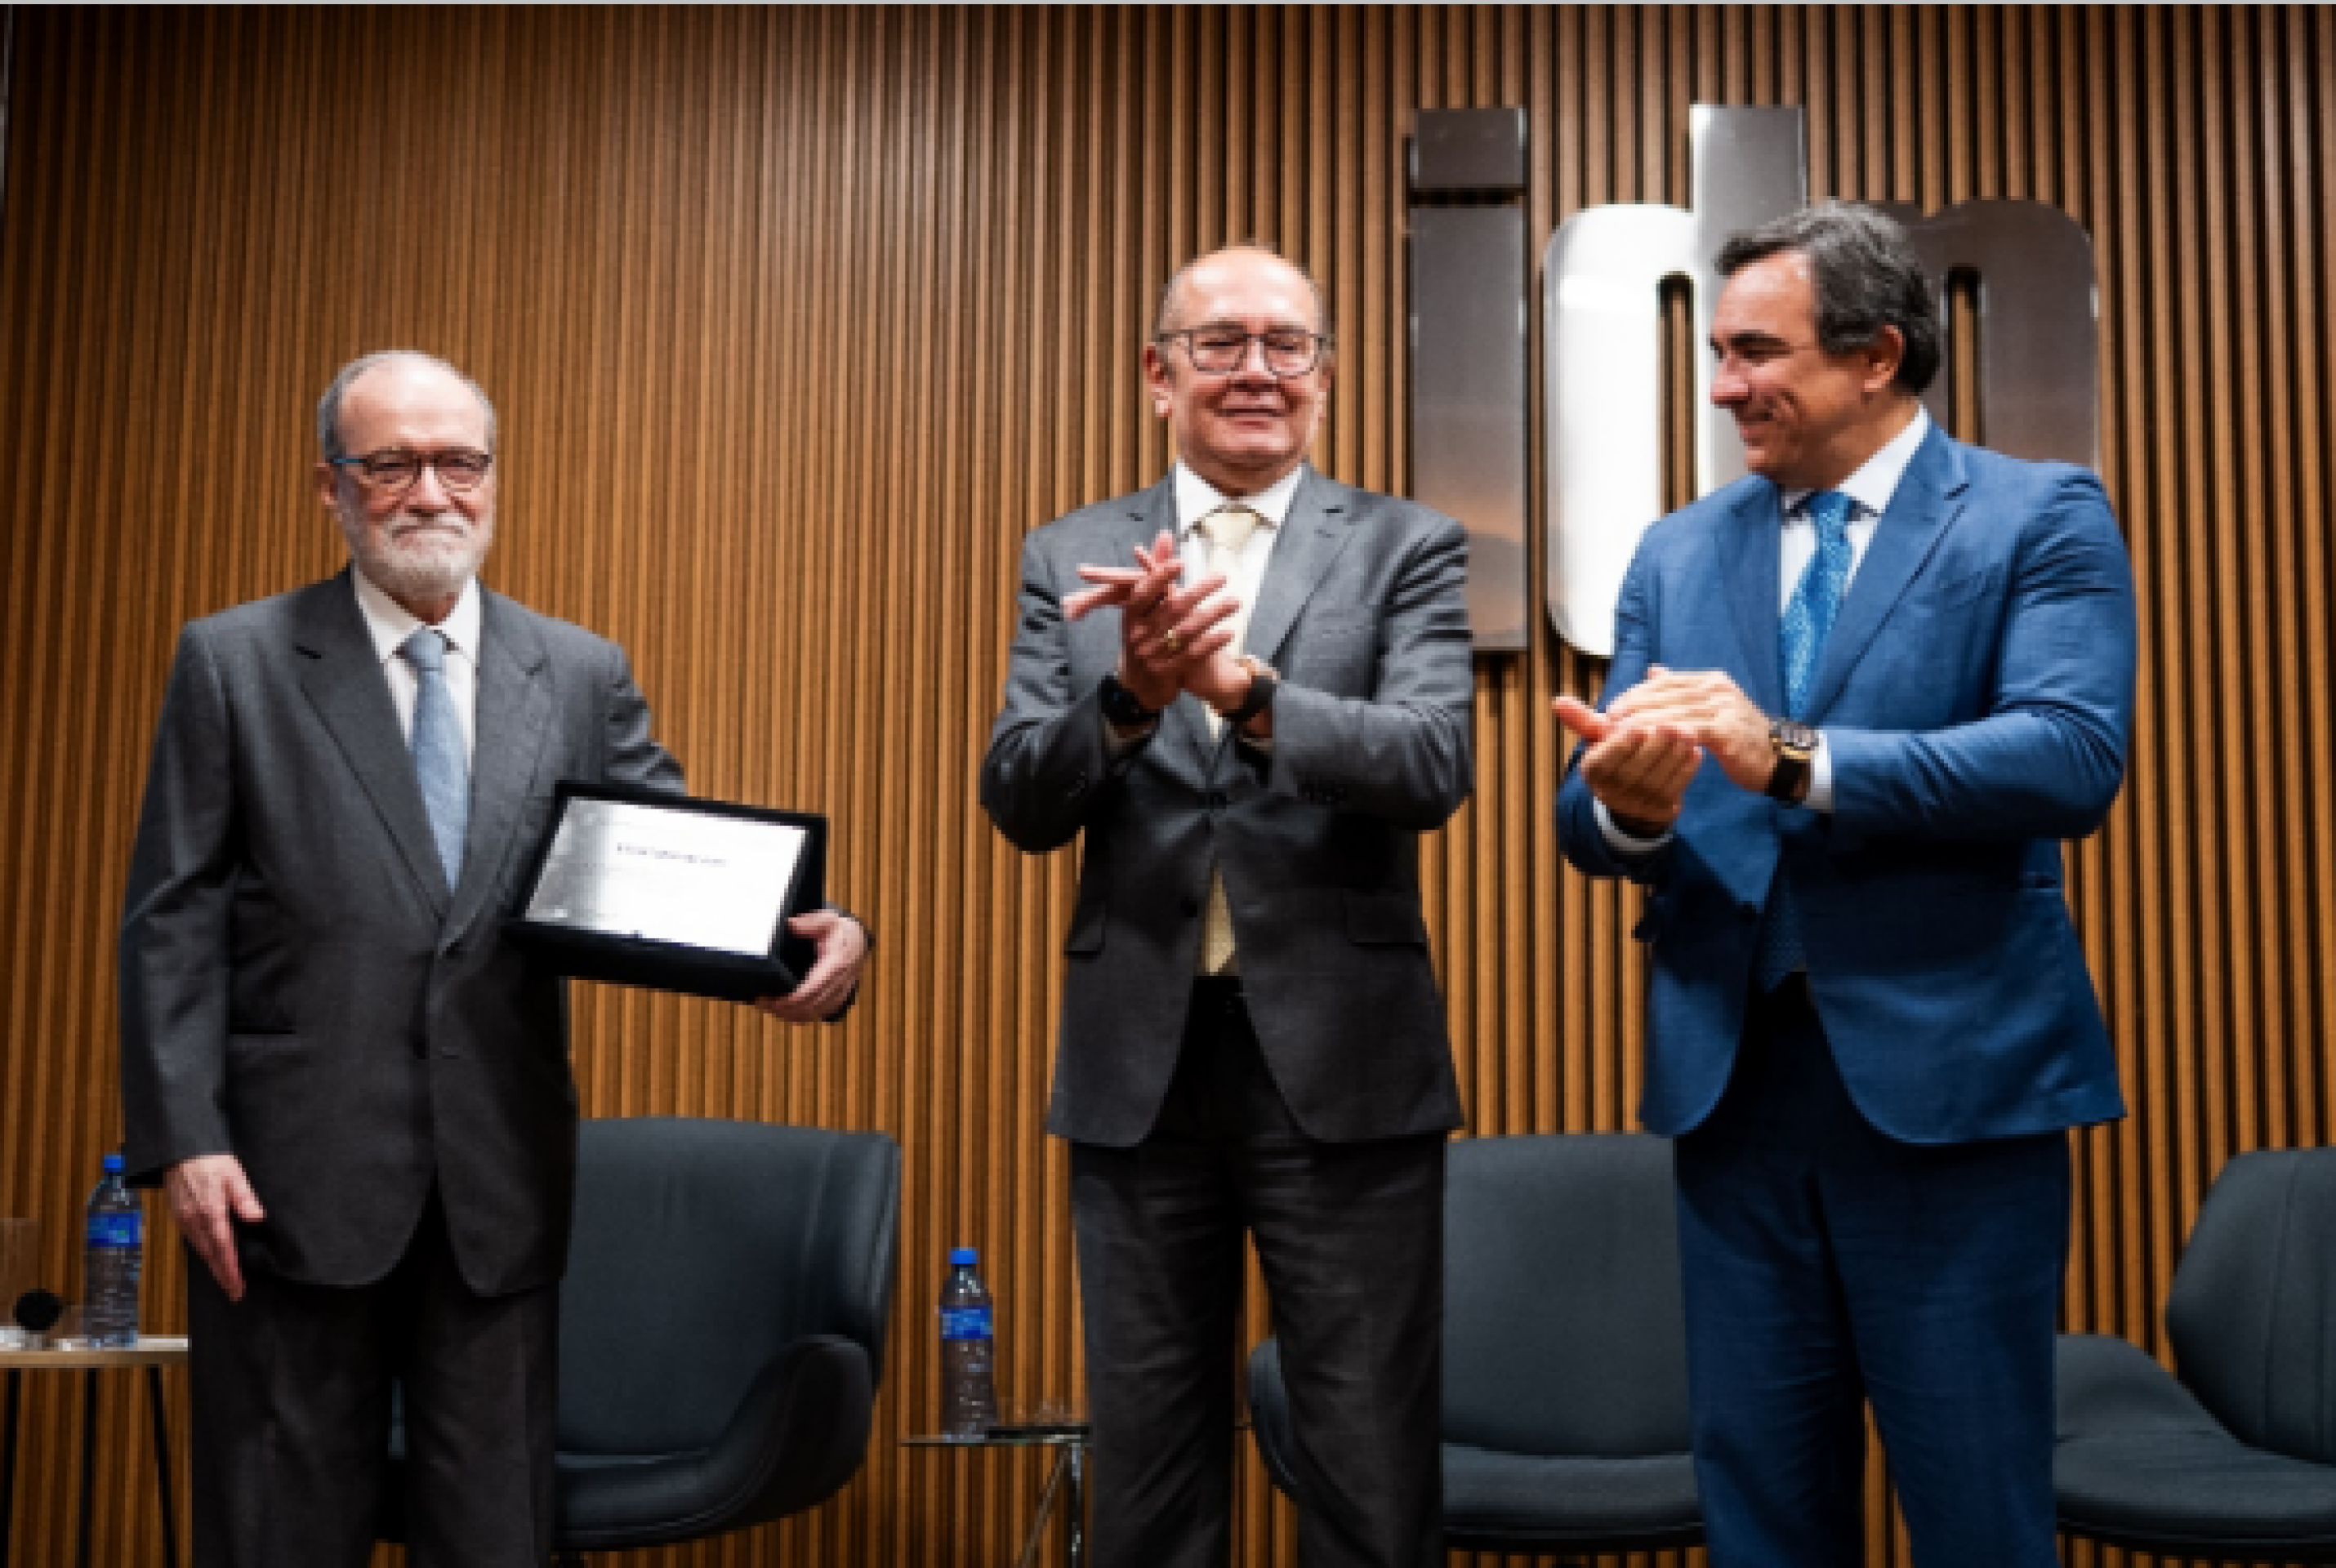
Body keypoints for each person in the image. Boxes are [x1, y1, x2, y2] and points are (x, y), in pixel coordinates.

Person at [118, 350, 870, 1567]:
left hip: (497, 1187)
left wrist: (815, 941)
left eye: (459, 463)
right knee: (276, 1524)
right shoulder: (236, 662)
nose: (430, 492)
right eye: (392, 464)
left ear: (493, 478)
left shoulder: (575, 669)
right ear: (331, 485)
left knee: (495, 1533)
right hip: (280, 1185)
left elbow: (668, 859)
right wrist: (186, 1138)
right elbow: (172, 917)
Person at [1554, 203, 2136, 1566]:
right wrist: (1626, 812)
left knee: (1978, 1510)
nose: (1721, 385)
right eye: (1718, 350)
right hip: (1733, 1093)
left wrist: (1792, 756)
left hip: (1953, 1094)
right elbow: (1596, 816)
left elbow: (2071, 755)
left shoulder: (2036, 514)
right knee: (1759, 1509)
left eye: (1756, 350)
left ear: (1878, 355)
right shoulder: (1677, 551)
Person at [980, 244, 1472, 1567]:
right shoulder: (1071, 553)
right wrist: (1131, 697)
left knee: (1367, 1462)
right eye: (1221, 343)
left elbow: (1433, 762)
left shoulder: (1404, 545)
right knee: (1147, 1477)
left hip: (1348, 1063)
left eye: (1288, 344)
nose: (1258, 369)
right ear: (1158, 374)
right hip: (1140, 1066)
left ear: (1324, 374)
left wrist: (1247, 692)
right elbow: (1021, 798)